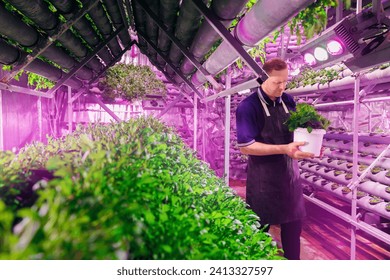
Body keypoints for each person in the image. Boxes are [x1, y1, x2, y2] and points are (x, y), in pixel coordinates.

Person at [235, 58, 314, 260]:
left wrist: (309, 140)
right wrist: (284, 149)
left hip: (290, 179)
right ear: (263, 78)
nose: (282, 87)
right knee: (258, 237)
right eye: (276, 82)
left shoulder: (288, 101)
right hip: (264, 182)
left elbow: (295, 133)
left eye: (285, 81)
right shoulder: (248, 107)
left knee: (292, 237)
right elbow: (247, 147)